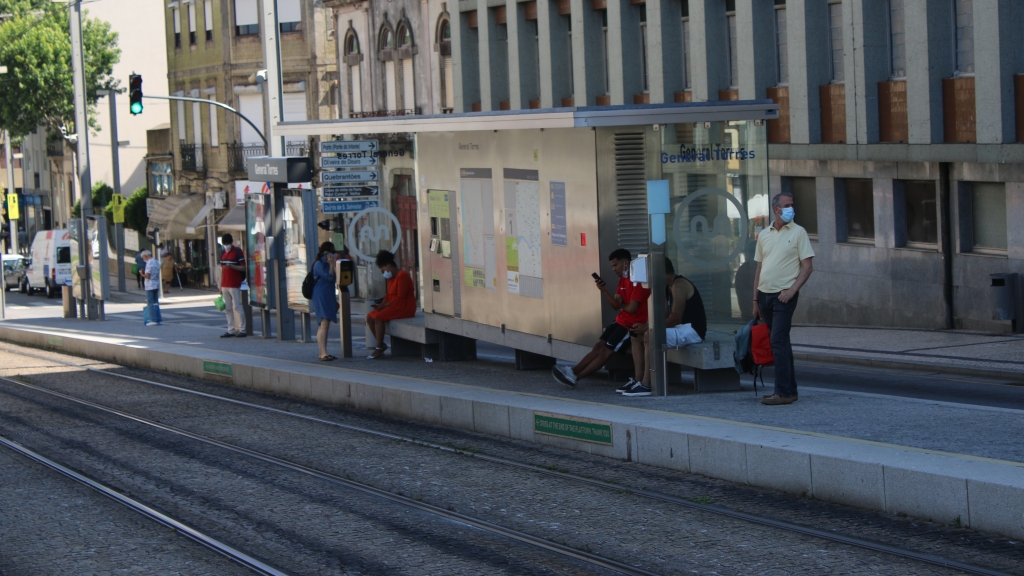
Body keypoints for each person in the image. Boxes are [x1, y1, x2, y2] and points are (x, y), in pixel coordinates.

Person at [552, 248, 650, 389]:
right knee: (598, 346)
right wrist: (603, 291)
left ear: (626, 263)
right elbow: (616, 305)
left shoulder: (638, 282)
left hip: (630, 325)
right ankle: (572, 371)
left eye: (615, 265)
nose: (613, 269)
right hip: (620, 320)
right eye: (612, 266)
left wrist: (622, 304)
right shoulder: (622, 280)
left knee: (605, 352)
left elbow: (632, 308)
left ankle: (576, 377)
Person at [753, 191, 814, 405]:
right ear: (776, 209)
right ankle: (790, 390)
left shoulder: (798, 232)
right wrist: (755, 300)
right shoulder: (765, 235)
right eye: (787, 205)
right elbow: (759, 268)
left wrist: (792, 290)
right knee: (782, 343)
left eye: (792, 204)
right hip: (765, 295)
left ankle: (782, 392)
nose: (791, 208)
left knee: (777, 341)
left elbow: (808, 267)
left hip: (784, 297)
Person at [626, 258, 707, 396]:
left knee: (650, 335)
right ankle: (637, 379)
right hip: (680, 328)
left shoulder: (679, 285)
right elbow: (662, 317)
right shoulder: (665, 286)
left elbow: (676, 318)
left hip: (692, 329)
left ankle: (647, 384)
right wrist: (645, 325)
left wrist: (647, 327)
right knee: (635, 335)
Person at [366, 250, 417, 359]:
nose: (384, 273)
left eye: (383, 270)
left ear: (388, 266)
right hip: (393, 305)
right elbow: (389, 295)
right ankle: (382, 344)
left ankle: (378, 348)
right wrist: (381, 304)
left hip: (404, 307)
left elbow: (400, 298)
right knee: (370, 317)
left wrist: (384, 306)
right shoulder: (391, 278)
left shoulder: (402, 276)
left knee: (379, 318)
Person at [311, 242, 340, 361]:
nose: (333, 255)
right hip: (320, 295)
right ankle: (323, 352)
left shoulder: (326, 264)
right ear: (326, 253)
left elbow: (333, 282)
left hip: (327, 295)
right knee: (324, 323)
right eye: (331, 252)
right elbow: (329, 277)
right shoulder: (319, 264)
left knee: (324, 324)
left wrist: (334, 300)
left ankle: (323, 351)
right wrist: (331, 264)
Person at [218, 233, 246, 338]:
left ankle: (242, 329)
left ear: (231, 242)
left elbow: (243, 268)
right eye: (225, 243)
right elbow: (222, 271)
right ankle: (231, 329)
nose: (226, 245)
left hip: (234, 283)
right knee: (228, 308)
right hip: (225, 284)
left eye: (227, 243)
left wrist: (232, 266)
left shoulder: (238, 252)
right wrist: (220, 286)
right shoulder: (222, 253)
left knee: (237, 306)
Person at [140, 250, 162, 326]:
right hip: (156, 283)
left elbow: (147, 276)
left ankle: (153, 320)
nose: (143, 259)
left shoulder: (149, 263)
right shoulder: (156, 262)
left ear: (146, 256)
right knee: (156, 302)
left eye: (143, 257)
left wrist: (142, 274)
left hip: (150, 285)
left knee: (150, 303)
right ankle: (158, 319)